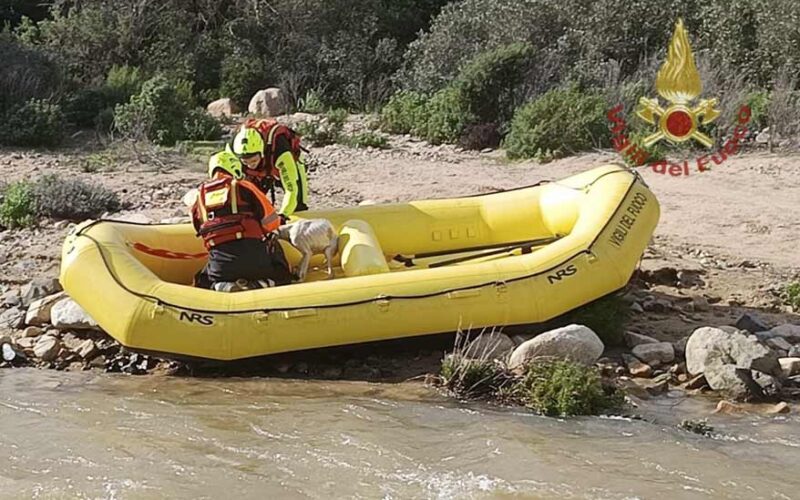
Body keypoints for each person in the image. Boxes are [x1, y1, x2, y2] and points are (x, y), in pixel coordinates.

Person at [192, 151, 292, 292]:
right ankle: (265, 283)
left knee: (202, 279)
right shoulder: (244, 186)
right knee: (282, 269)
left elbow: (199, 229)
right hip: (256, 261)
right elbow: (271, 222)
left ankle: (220, 286)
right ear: (234, 167)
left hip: (221, 267)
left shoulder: (199, 197)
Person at [228, 118, 309, 217]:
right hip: (259, 170)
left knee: (298, 204)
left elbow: (291, 189)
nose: (250, 165)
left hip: (287, 163)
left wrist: (283, 215)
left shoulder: (280, 150)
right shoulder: (232, 150)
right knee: (248, 203)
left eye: (253, 160)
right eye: (245, 162)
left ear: (261, 153)